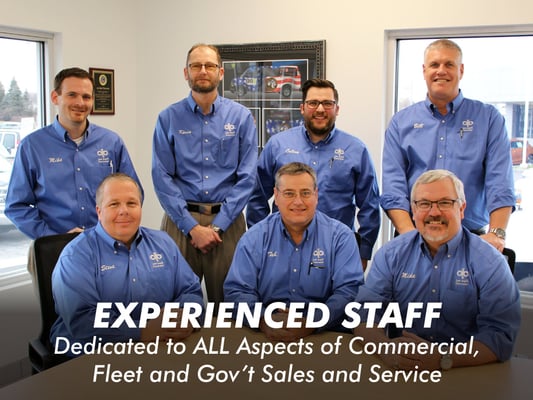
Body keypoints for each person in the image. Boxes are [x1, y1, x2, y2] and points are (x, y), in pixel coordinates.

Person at [354, 169, 521, 371]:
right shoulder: (390, 255)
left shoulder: (490, 262)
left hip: (467, 370)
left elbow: (500, 336)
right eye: (424, 204)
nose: (434, 212)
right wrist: (385, 349)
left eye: (445, 202)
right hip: (403, 368)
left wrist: (444, 358)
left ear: (462, 208)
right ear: (413, 210)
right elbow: (365, 315)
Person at [5, 67, 142, 278]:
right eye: (72, 95)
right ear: (55, 97)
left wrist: (113, 228)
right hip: (53, 249)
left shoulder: (111, 142)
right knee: (56, 301)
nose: (80, 102)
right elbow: (16, 206)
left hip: (107, 246)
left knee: (113, 300)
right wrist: (53, 237)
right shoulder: (32, 146)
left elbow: (135, 194)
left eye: (86, 97)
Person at [381, 39, 514, 252]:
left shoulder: (488, 119)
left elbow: (500, 183)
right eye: (434, 65)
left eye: (449, 64)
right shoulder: (401, 123)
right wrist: (409, 236)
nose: (441, 71)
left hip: (472, 238)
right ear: (424, 71)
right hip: (414, 236)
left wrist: (497, 233)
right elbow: (393, 188)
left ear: (461, 70)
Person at [152, 44, 257, 307]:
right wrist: (191, 227)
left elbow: (247, 177)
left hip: (228, 222)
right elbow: (162, 176)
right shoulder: (168, 118)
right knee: (175, 307)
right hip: (180, 221)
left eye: (209, 65)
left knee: (232, 306)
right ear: (185, 73)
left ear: (221, 72)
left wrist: (218, 226)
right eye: (195, 65)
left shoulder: (241, 117)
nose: (202, 71)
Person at [51, 173, 203, 355]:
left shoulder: (164, 243)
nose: (124, 211)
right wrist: (143, 331)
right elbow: (82, 322)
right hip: (94, 352)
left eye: (131, 203)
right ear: (99, 211)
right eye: (114, 204)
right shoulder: (76, 255)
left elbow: (190, 291)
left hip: (161, 344)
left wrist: (185, 317)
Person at [246, 78, 380, 270]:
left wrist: (363, 252)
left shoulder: (356, 150)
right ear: (302, 108)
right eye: (313, 103)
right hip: (282, 248)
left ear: (337, 109)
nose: (320, 109)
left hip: (338, 249)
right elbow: (257, 197)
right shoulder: (278, 145)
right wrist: (261, 240)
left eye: (327, 103)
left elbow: (370, 205)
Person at [224, 162, 364, 342]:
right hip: (265, 333)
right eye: (289, 193)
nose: (298, 202)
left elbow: (350, 291)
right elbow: (237, 291)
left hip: (324, 333)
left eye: (305, 193)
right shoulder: (254, 238)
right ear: (276, 196)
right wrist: (263, 320)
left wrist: (313, 322)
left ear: (316, 195)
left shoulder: (341, 237)